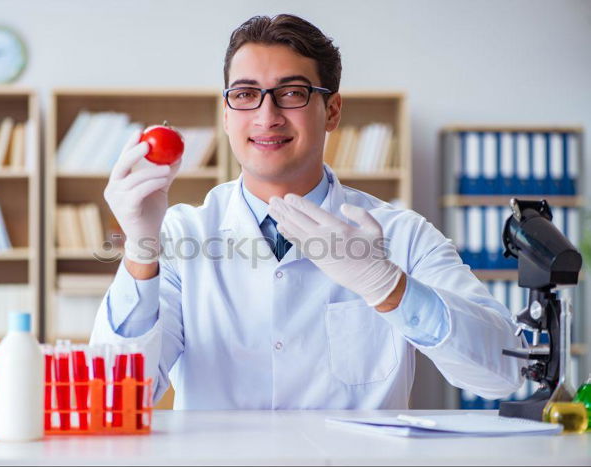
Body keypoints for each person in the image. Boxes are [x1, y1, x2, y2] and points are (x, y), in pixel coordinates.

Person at [90, 14, 525, 409]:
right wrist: (141, 254)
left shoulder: (404, 235)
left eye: (291, 93)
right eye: (245, 95)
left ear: (332, 110)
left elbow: (503, 374)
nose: (267, 115)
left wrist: (386, 285)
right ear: (226, 114)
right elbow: (116, 397)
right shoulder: (183, 233)